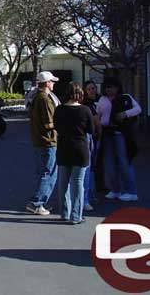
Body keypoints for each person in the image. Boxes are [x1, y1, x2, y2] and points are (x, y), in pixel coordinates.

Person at [53, 82, 94, 224]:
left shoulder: (59, 109)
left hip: (64, 147)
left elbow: (56, 126)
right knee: (78, 183)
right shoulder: (85, 110)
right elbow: (91, 130)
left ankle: (64, 213)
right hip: (80, 148)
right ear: (80, 94)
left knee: (63, 182)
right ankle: (76, 215)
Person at [97, 76, 142, 201]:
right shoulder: (102, 99)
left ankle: (131, 191)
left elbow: (138, 109)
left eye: (111, 87)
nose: (109, 90)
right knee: (109, 163)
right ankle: (115, 189)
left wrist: (125, 114)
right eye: (107, 87)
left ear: (117, 87)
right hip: (106, 133)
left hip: (120, 133)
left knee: (123, 161)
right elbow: (99, 114)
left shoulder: (125, 97)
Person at [26, 71, 60, 216]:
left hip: (39, 140)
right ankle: (37, 202)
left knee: (43, 171)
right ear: (46, 83)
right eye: (52, 81)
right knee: (49, 172)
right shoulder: (44, 99)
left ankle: (41, 201)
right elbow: (48, 123)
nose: (53, 84)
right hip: (48, 140)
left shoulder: (35, 97)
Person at [82, 80, 103, 211]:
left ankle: (90, 194)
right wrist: (99, 133)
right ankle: (86, 197)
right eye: (89, 89)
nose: (93, 91)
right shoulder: (88, 106)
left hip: (93, 139)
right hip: (91, 139)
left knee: (92, 169)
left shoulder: (97, 102)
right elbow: (97, 124)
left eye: (94, 88)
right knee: (88, 170)